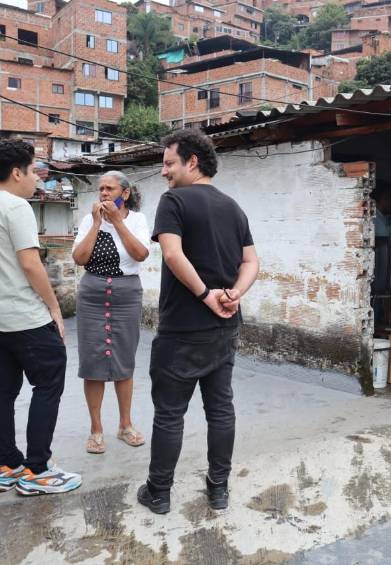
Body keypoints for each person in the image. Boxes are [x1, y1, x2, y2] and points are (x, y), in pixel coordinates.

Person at [137, 129, 259, 515]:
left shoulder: (173, 201)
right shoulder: (233, 207)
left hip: (183, 329)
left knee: (170, 413)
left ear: (192, 162)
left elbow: (172, 255)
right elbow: (251, 262)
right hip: (226, 326)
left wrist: (207, 296)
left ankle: (159, 493)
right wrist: (234, 293)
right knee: (220, 409)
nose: (163, 172)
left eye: (169, 163)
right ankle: (218, 489)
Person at [0, 140, 81, 496]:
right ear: (17, 173)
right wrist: (54, 307)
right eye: (33, 172)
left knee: (4, 388)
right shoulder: (16, 207)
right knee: (48, 384)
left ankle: (8, 465)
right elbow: (30, 263)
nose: (37, 179)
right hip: (23, 317)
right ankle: (37, 470)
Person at [72, 171, 150, 454]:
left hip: (126, 294)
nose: (103, 193)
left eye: (109, 188)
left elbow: (141, 254)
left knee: (123, 360)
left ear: (124, 194)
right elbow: (80, 259)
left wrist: (117, 223)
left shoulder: (137, 220)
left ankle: (125, 425)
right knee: (92, 362)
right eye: (100, 189)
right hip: (92, 294)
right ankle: (96, 430)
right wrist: (96, 224)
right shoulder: (87, 220)